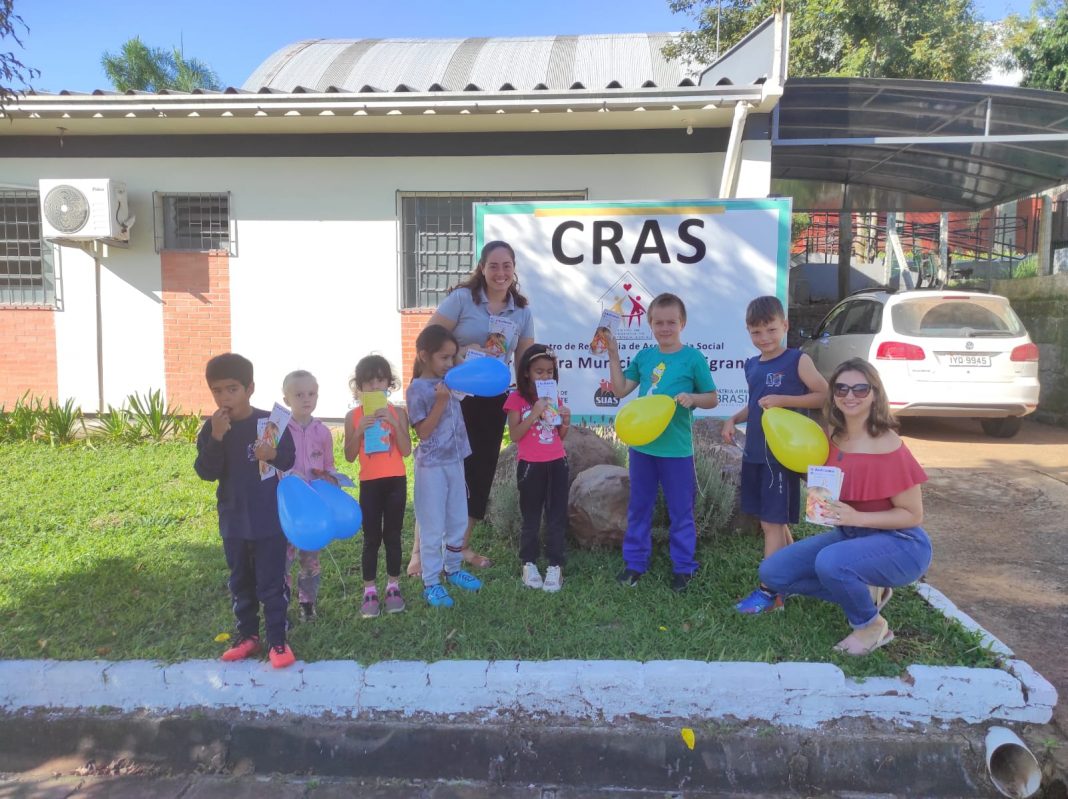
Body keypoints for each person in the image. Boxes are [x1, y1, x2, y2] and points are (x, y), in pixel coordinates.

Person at [759, 358, 933, 656]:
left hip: (901, 544)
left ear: (875, 394)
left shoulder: (888, 445)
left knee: (831, 562)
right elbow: (833, 482)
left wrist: (857, 516)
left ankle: (871, 625)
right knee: (773, 572)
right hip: (849, 536)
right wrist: (815, 488)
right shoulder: (832, 437)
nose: (849, 395)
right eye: (841, 389)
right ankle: (862, 590)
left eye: (860, 389)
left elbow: (912, 515)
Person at [408, 240, 535, 576]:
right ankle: (419, 553)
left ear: (514, 269)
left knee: (479, 472)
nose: (500, 272)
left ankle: (460, 546)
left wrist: (532, 397)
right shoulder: (463, 299)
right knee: (439, 469)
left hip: (492, 401)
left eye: (507, 265)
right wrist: (462, 353)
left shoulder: (522, 311)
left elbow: (524, 361)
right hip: (452, 396)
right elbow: (428, 340)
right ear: (482, 267)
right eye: (493, 265)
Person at [606, 293, 719, 593]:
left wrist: (693, 398)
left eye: (671, 322)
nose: (665, 328)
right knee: (639, 507)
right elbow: (620, 390)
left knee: (681, 511)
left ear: (683, 323)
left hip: (676, 450)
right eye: (659, 323)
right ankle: (634, 563)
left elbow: (712, 398)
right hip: (642, 448)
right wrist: (613, 354)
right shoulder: (644, 357)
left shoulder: (693, 358)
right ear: (650, 323)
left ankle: (683, 567)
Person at [723, 296, 829, 614]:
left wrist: (784, 399)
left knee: (772, 524)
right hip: (754, 454)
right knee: (772, 522)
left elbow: (823, 395)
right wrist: (733, 419)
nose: (764, 338)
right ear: (748, 331)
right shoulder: (751, 365)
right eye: (756, 332)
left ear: (785, 325)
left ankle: (770, 594)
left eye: (771, 330)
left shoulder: (798, 360)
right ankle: (796, 577)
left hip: (781, 457)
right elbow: (757, 403)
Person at [194, 352, 297, 669]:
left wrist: (273, 453)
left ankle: (278, 640)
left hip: (268, 518)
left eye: (232, 389)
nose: (225, 397)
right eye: (217, 390)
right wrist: (216, 437)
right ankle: (248, 636)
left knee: (271, 583)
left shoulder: (270, 422)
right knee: (240, 581)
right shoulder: (212, 429)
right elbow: (206, 471)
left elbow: (288, 459)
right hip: (234, 518)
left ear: (249, 388)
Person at [406, 324, 483, 608]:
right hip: (432, 467)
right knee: (432, 524)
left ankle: (452, 569)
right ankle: (431, 582)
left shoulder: (451, 381)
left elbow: (469, 374)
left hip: (455, 461)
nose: (450, 363)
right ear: (424, 356)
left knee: (458, 519)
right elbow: (423, 432)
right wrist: (440, 402)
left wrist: (458, 361)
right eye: (444, 357)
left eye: (453, 356)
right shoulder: (417, 389)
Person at [344, 354, 412, 618]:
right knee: (371, 538)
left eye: (380, 380)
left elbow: (406, 450)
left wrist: (394, 424)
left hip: (396, 481)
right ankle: (369, 590)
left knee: (393, 535)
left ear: (389, 384)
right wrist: (359, 430)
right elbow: (349, 456)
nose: (375, 386)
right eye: (369, 382)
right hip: (369, 483)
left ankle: (393, 586)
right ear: (359, 387)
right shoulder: (353, 416)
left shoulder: (399, 412)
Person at [504, 345, 571, 592]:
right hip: (530, 466)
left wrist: (566, 421)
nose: (544, 377)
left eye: (549, 372)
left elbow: (558, 436)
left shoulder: (553, 397)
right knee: (531, 516)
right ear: (526, 372)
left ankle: (555, 565)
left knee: (556, 515)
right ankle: (529, 563)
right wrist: (533, 413)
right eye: (539, 371)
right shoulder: (516, 399)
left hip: (557, 462)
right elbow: (515, 435)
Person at [280, 369, 336, 624]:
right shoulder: (279, 429)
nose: (306, 399)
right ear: (286, 399)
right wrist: (289, 475)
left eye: (311, 394)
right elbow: (268, 465)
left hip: (313, 507)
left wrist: (330, 477)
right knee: (283, 558)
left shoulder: (322, 432)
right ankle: (280, 605)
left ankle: (308, 604)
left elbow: (329, 465)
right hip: (289, 506)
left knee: (310, 559)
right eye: (299, 394)